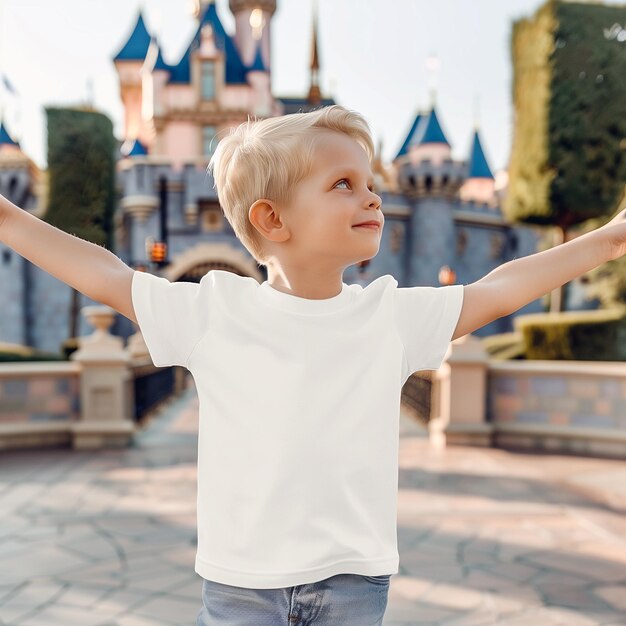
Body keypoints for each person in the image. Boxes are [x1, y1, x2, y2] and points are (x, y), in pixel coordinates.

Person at [1, 104, 625, 626]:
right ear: (271, 219)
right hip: (241, 585)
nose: (372, 195)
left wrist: (608, 240)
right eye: (342, 184)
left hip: (354, 584)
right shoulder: (215, 309)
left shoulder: (390, 315)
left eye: (370, 181)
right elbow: (104, 274)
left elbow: (498, 290)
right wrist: (5, 216)